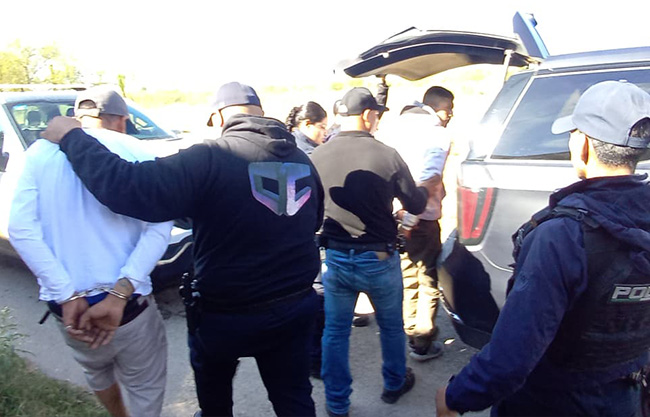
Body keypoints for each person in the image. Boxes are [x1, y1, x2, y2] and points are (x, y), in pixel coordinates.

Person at [42, 81, 324, 417]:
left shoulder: (212, 156)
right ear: (261, 113)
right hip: (294, 308)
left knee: (215, 403)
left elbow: (129, 187)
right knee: (294, 400)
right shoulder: (303, 161)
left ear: (217, 117)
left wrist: (73, 137)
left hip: (226, 315)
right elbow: (309, 221)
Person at [436, 80, 650, 416]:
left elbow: (512, 357)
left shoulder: (561, 236)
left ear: (583, 145)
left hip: (549, 402)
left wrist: (455, 397)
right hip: (624, 398)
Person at [9, 86, 172, 417]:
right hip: (128, 309)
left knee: (95, 370)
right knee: (145, 387)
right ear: (121, 120)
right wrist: (120, 292)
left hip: (70, 312)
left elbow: (20, 230)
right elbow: (159, 225)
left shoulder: (37, 154)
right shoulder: (135, 149)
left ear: (76, 117)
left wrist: (67, 295)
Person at [310, 87, 428, 417]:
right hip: (378, 258)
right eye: (376, 114)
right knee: (390, 327)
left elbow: (311, 208)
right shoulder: (386, 154)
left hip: (335, 258)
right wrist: (422, 188)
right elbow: (415, 203)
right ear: (366, 115)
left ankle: (336, 404)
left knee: (335, 333)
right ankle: (393, 384)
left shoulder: (317, 155)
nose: (377, 119)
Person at [394, 86, 454, 361]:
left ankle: (410, 332)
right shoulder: (436, 134)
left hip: (395, 214)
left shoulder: (396, 126)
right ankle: (422, 340)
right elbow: (429, 178)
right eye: (449, 109)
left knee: (407, 276)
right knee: (427, 278)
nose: (450, 115)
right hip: (420, 218)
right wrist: (411, 218)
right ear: (438, 108)